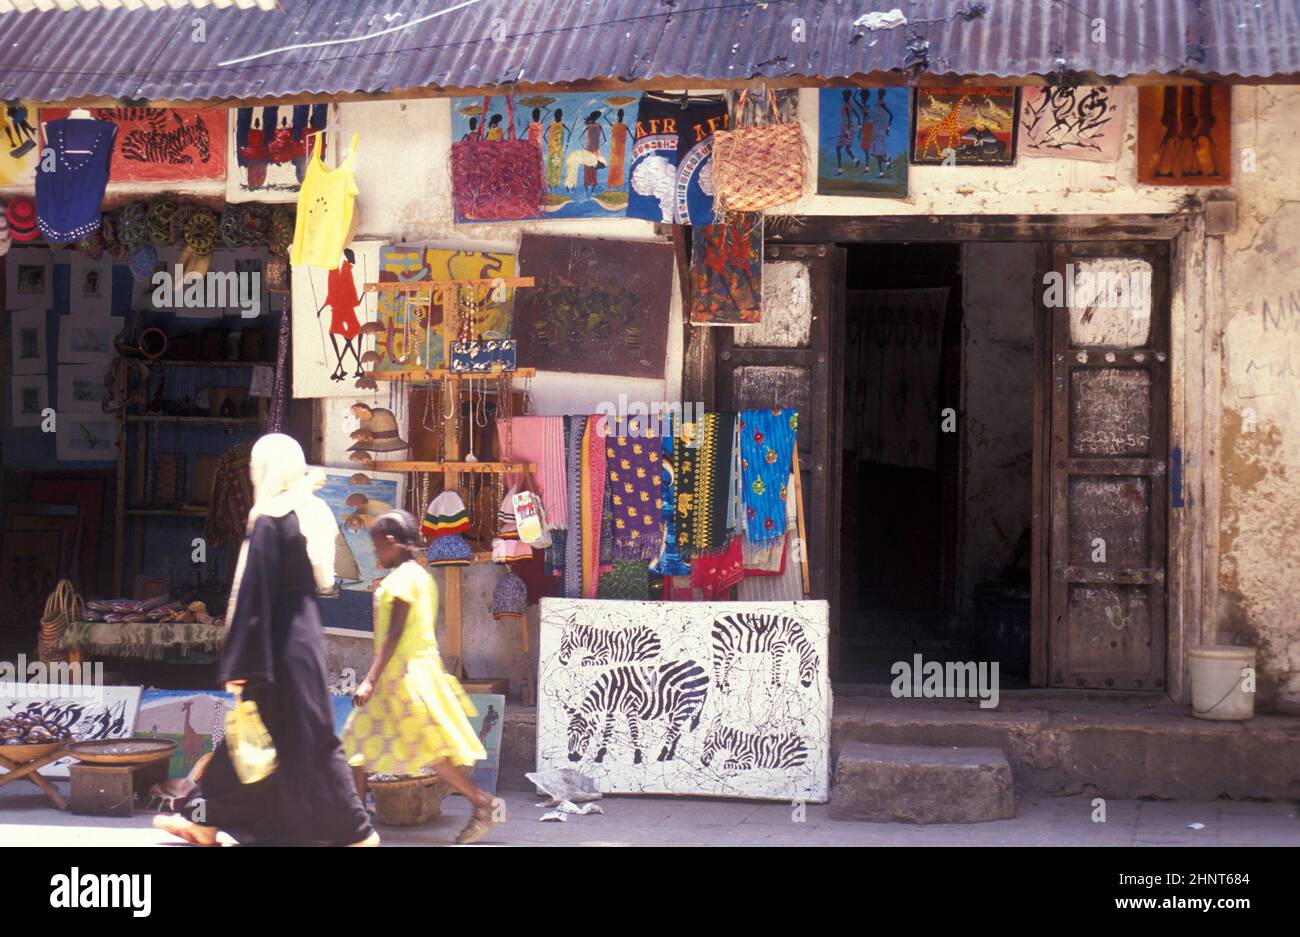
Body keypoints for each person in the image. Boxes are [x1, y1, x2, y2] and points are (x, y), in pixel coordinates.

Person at [154, 434, 378, 847]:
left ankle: (356, 832)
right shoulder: (312, 511)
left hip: (273, 646)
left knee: (298, 738)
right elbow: (323, 579)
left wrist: (239, 663)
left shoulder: (270, 517)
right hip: (303, 637)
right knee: (270, 738)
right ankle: (205, 818)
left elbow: (252, 593)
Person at [341, 510, 502, 844]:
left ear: (390, 542)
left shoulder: (402, 580)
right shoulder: (420, 576)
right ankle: (355, 824)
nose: (375, 553)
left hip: (402, 677)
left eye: (376, 546)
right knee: (359, 746)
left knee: (419, 751)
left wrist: (370, 678)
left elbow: (395, 633)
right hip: (407, 673)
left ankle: (482, 804)